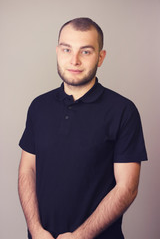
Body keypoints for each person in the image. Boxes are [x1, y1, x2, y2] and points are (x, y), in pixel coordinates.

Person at [18, 17, 148, 239]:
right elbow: (27, 170)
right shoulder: (39, 106)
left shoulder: (123, 111)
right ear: (57, 51)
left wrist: (80, 236)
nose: (74, 60)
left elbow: (127, 187)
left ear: (101, 57)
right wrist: (36, 230)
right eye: (67, 49)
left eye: (85, 51)